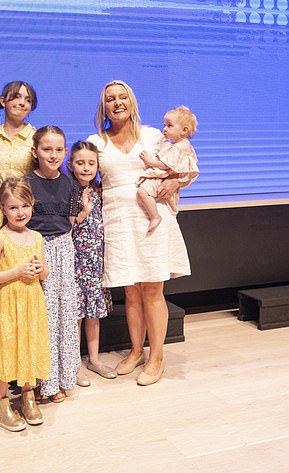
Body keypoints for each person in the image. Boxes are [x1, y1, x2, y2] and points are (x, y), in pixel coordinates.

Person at [87, 81, 196, 386]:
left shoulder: (153, 135)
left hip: (152, 217)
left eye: (123, 97)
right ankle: (136, 351)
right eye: (111, 99)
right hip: (116, 219)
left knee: (152, 290)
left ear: (132, 102)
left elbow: (184, 164)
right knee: (131, 291)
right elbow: (87, 178)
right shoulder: (95, 141)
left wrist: (176, 184)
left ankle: (157, 356)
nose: (117, 102)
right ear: (104, 106)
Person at [0, 177, 50, 431]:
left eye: (25, 206)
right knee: (5, 350)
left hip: (31, 303)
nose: (20, 213)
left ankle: (28, 395)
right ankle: (1, 404)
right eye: (13, 207)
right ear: (2, 209)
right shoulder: (0, 239)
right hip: (7, 303)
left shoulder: (37, 237)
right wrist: (16, 271)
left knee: (28, 346)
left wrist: (42, 270)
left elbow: (43, 273)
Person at [25, 126, 81, 403]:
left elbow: (70, 221)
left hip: (63, 249)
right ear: (35, 151)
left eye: (59, 149)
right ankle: (39, 381)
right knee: (42, 316)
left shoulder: (70, 184)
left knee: (65, 316)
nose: (54, 154)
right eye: (47, 149)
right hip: (36, 249)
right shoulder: (26, 183)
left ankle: (62, 377)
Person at [67, 141, 116, 387]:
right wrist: (82, 213)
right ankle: (74, 363)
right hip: (76, 263)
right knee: (76, 314)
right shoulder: (69, 191)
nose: (86, 168)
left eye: (91, 163)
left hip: (95, 262)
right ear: (71, 165)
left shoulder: (98, 192)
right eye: (80, 163)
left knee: (93, 314)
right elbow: (67, 227)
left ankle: (94, 359)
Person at [0, 81, 37, 242]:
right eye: (16, 97)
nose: (22, 103)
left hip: (24, 207)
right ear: (3, 101)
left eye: (28, 100)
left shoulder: (36, 138)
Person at [137, 106, 200, 233]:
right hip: (166, 178)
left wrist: (149, 161)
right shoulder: (180, 146)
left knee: (142, 192)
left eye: (169, 126)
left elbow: (166, 164)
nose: (164, 129)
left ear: (184, 130)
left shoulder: (179, 147)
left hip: (162, 177)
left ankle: (155, 216)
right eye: (164, 125)